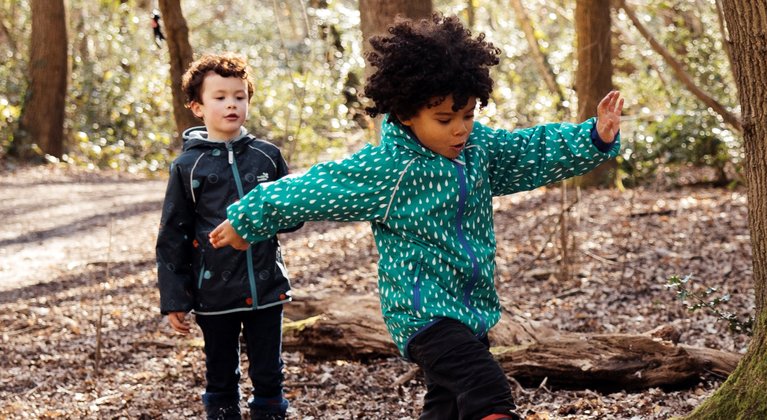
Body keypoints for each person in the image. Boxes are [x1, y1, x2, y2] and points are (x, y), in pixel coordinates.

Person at [210, 14, 623, 420]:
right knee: (488, 393)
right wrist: (248, 221)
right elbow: (311, 189)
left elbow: (530, 150)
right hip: (422, 314)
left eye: (468, 115)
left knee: (447, 407)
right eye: (444, 119)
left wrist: (593, 136)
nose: (461, 129)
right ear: (407, 114)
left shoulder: (478, 150)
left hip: (471, 310)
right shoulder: (390, 169)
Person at [156, 53, 301, 420]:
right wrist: (175, 297)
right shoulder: (188, 167)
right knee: (221, 375)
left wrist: (262, 221)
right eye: (219, 97)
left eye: (239, 96)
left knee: (269, 373)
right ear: (197, 107)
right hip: (213, 291)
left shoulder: (267, 157)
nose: (231, 104)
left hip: (266, 286)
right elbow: (173, 234)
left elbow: (292, 216)